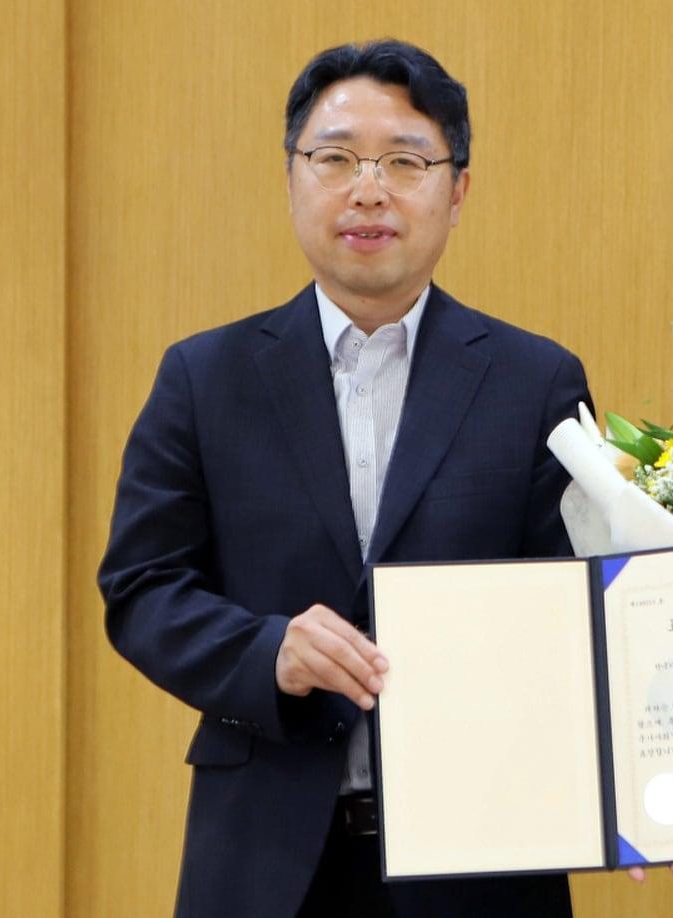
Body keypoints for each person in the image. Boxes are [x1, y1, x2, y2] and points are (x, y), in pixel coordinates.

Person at [98, 39, 590, 918]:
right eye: (335, 159)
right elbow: (141, 589)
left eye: (405, 161)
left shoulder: (536, 381)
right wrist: (266, 654)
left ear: (459, 190)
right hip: (264, 855)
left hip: (479, 857)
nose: (369, 189)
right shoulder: (204, 377)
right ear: (291, 178)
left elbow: (575, 609)